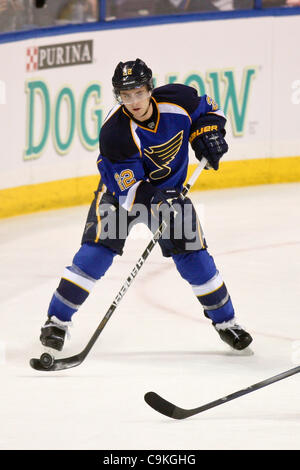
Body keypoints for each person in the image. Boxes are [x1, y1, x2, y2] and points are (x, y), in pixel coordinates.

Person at [39, 58, 252, 354]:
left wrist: (208, 133)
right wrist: (159, 202)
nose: (134, 101)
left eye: (138, 92)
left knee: (194, 257)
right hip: (121, 195)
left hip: (170, 193)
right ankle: (56, 322)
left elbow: (210, 112)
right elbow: (131, 191)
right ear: (118, 96)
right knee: (96, 253)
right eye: (126, 96)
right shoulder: (114, 133)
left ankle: (227, 323)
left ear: (150, 88)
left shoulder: (179, 98)